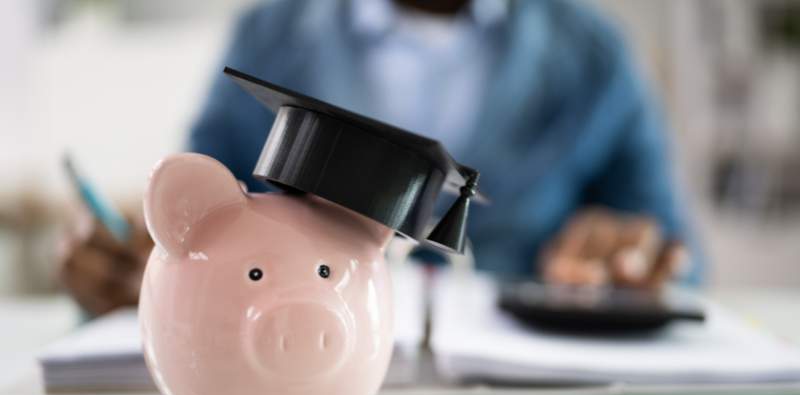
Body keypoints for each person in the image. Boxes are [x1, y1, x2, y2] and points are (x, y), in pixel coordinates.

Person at [59, 0, 697, 317]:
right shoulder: (269, 32)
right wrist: (146, 267)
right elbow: (195, 213)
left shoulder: (593, 56)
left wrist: (632, 263)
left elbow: (680, 257)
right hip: (293, 384)